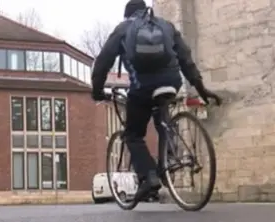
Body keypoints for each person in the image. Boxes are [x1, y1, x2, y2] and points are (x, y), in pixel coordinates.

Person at [91, 0, 222, 202]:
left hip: (143, 86)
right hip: (172, 81)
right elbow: (185, 57)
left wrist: (97, 91)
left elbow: (102, 62)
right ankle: (169, 156)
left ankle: (150, 176)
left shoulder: (124, 28)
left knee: (133, 134)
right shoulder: (166, 26)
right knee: (163, 118)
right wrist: (201, 88)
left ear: (127, 15)